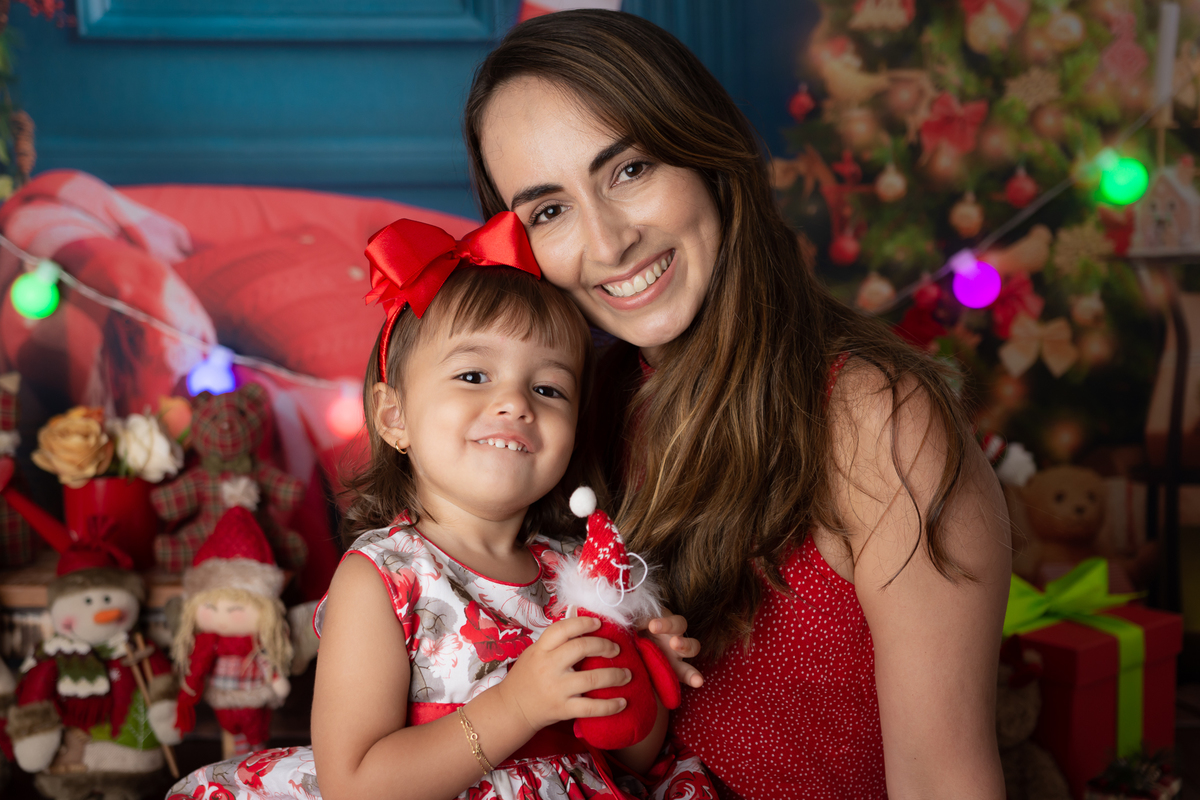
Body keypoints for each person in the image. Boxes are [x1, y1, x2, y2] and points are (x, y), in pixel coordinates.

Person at [464, 10, 1012, 800]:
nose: (608, 242)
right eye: (549, 210)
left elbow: (944, 781)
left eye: (630, 170)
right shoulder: (582, 406)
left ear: (704, 154)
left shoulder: (873, 418)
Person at [165, 211, 714, 800]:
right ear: (394, 416)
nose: (514, 403)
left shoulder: (580, 575)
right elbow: (356, 785)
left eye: (548, 388)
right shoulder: (383, 579)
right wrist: (517, 705)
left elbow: (636, 754)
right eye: (474, 375)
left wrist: (638, 678)